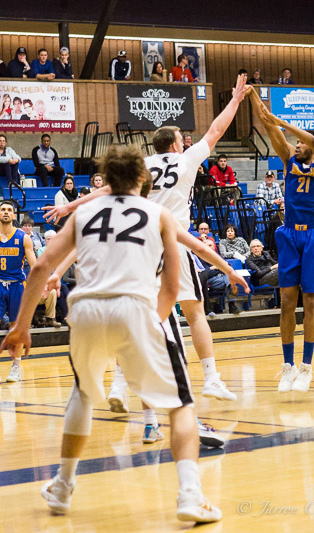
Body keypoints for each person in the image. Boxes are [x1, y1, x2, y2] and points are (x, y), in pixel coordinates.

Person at [0, 145, 222, 524]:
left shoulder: (84, 212)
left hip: (85, 310)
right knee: (181, 404)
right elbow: (170, 288)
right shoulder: (159, 213)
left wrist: (21, 326)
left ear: (107, 176)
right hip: (134, 305)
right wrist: (151, 325)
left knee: (83, 393)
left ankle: (62, 486)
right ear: (142, 177)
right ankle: (191, 495)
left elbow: (41, 268)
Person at [44, 74, 249, 406]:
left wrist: (69, 205)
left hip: (140, 244)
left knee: (135, 314)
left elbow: (107, 190)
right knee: (194, 311)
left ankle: (119, 385)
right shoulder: (186, 159)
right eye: (182, 139)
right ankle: (211, 379)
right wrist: (236, 100)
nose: (185, 143)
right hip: (173, 241)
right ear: (176, 145)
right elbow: (216, 130)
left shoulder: (142, 165)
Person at [247, 86, 314, 394]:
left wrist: (284, 122)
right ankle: (288, 366)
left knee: (310, 301)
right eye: (295, 142)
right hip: (289, 234)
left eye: (300, 142)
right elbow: (268, 124)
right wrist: (253, 95)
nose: (296, 145)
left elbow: (313, 141)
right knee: (286, 302)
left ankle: (307, 367)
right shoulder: (289, 160)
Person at [0, 200, 36, 381]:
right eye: (3, 210)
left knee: (16, 327)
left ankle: (16, 366)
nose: (6, 212)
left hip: (17, 285)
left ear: (14, 215)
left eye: (9, 210)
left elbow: (34, 266)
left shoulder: (23, 237)